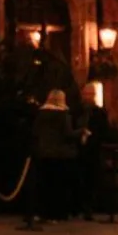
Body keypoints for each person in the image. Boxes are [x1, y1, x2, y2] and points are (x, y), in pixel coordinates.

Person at [29, 90, 78, 225]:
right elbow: (68, 133)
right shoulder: (63, 115)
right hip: (59, 155)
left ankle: (40, 213)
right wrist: (80, 132)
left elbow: (35, 131)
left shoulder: (41, 114)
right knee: (57, 186)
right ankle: (55, 214)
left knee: (43, 184)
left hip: (43, 153)